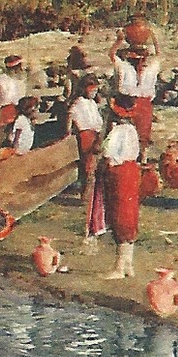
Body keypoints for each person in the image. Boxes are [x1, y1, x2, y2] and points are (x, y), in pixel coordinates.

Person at [101, 95, 142, 280]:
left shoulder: (117, 131)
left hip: (119, 173)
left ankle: (119, 266)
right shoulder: (132, 130)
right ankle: (128, 263)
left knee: (119, 215)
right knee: (129, 215)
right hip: (132, 171)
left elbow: (108, 154)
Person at [108, 31, 160, 159]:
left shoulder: (151, 67)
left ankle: (142, 160)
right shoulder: (125, 67)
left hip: (144, 104)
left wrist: (153, 37)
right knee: (123, 135)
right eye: (135, 54)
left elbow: (159, 55)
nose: (138, 58)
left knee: (143, 136)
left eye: (141, 55)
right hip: (126, 102)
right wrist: (119, 41)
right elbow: (112, 54)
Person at [67, 75, 105, 239]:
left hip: (95, 133)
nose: (93, 92)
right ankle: (85, 195)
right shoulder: (78, 103)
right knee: (88, 164)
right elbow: (71, 115)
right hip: (85, 134)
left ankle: (87, 194)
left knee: (95, 164)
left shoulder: (92, 103)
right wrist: (68, 131)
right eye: (91, 89)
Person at [0, 54, 26, 143]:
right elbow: (0, 100)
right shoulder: (3, 80)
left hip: (17, 111)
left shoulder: (20, 79)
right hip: (9, 111)